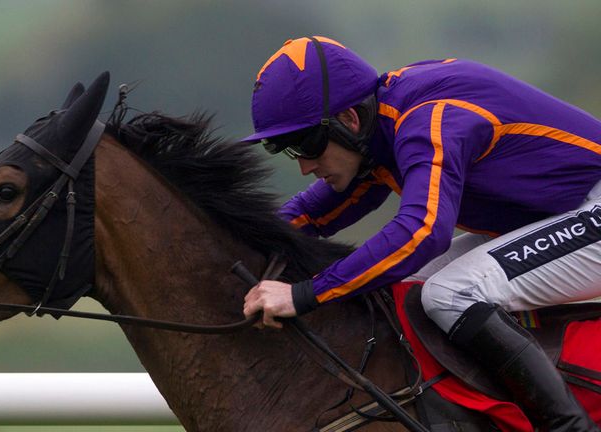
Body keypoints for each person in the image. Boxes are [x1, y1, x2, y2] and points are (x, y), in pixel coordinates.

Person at [241, 36, 601, 431]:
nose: (306, 167)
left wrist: (305, 293)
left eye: (307, 144)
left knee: (451, 293)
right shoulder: (379, 131)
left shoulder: (427, 120)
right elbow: (308, 216)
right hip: (572, 211)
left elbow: (423, 230)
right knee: (406, 288)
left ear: (349, 120)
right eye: (291, 150)